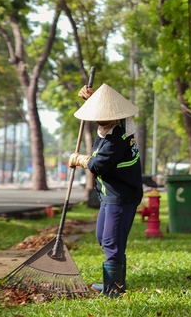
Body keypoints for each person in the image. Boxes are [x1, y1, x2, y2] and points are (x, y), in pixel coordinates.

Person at [68, 83, 142, 298]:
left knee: (111, 241)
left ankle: (114, 288)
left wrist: (81, 160)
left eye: (102, 113)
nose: (99, 117)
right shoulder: (117, 126)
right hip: (109, 195)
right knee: (103, 236)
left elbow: (98, 166)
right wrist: (93, 100)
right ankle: (113, 281)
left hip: (122, 196)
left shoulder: (116, 138)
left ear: (114, 116)